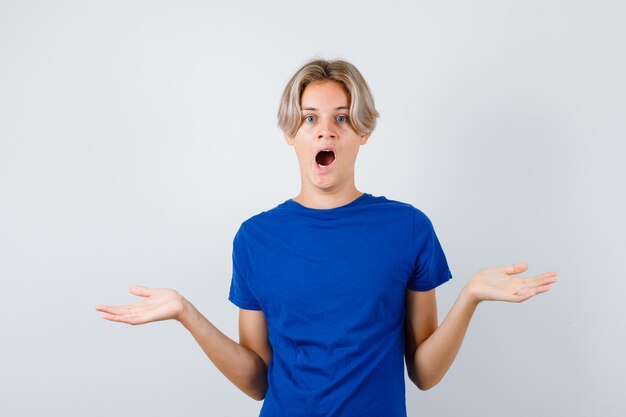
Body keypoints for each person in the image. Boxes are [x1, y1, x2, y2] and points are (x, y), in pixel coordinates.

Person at [96, 58, 557, 417]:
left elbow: (424, 372)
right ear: (291, 134)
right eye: (310, 118)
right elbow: (258, 379)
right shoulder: (255, 239)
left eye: (341, 118)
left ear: (363, 132)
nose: (326, 130)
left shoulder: (408, 228)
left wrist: (470, 295)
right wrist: (186, 313)